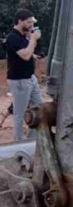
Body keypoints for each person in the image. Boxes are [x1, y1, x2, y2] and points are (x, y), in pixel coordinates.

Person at [5, 9, 43, 141]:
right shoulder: (13, 37)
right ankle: (19, 142)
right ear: (20, 21)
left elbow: (25, 52)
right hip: (19, 81)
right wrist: (33, 39)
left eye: (32, 23)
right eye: (28, 23)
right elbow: (25, 55)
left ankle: (33, 139)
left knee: (39, 109)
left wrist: (32, 50)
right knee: (19, 114)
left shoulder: (22, 37)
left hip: (30, 78)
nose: (31, 26)